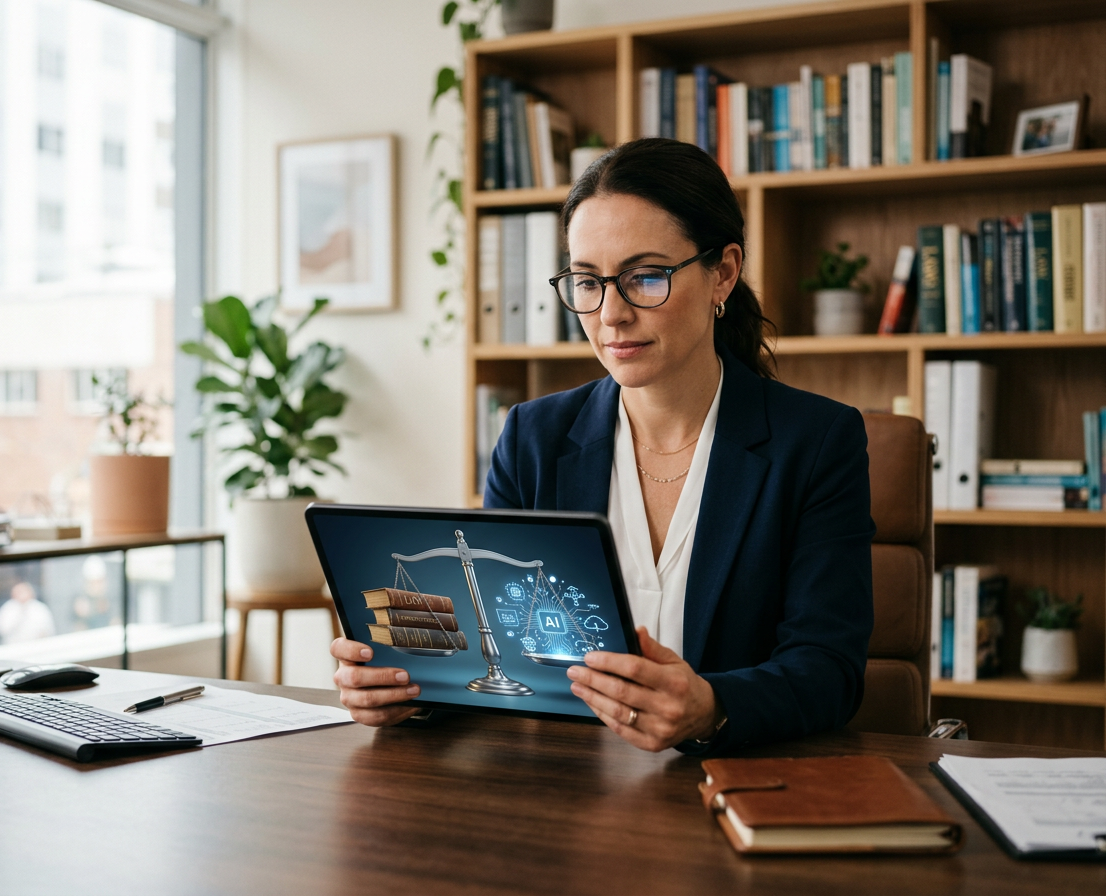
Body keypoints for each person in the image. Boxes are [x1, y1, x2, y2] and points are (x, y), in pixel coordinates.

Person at [331, 138, 874, 753]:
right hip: (565, 791)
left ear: (723, 271)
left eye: (645, 277)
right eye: (588, 282)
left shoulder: (818, 442)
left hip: (731, 785)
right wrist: (409, 691)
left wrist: (713, 708)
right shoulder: (533, 439)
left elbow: (830, 670)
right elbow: (498, 655)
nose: (610, 314)